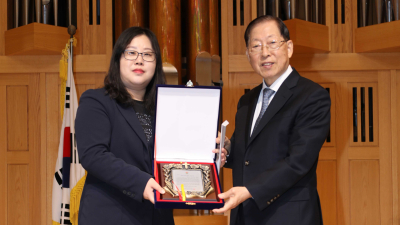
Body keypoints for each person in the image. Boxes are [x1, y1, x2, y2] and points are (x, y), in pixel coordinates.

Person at [212, 15, 331, 225]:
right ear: (248, 55)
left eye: (272, 43)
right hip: (246, 216)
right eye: (256, 46)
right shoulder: (246, 101)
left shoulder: (312, 96)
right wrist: (226, 151)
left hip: (290, 215)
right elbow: (249, 155)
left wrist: (249, 191)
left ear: (290, 47)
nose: (265, 52)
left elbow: (299, 161)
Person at [75, 27, 174, 225]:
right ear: (118, 59)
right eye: (131, 53)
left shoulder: (167, 110)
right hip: (111, 216)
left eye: (147, 54)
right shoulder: (96, 101)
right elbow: (94, 155)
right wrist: (141, 182)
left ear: (156, 63)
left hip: (158, 218)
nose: (139, 60)